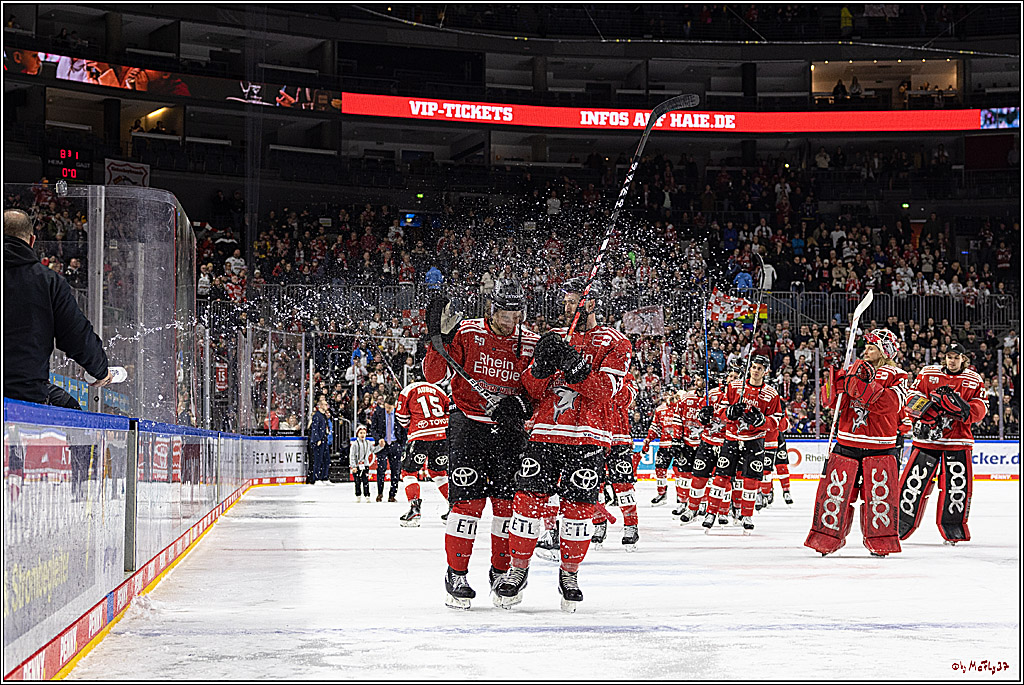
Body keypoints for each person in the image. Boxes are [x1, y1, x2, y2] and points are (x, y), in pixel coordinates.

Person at [495, 277, 631, 613]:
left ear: (592, 304)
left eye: (575, 303)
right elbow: (531, 388)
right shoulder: (554, 337)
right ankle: (518, 570)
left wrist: (576, 365)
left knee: (578, 513)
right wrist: (541, 367)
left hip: (589, 437)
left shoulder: (616, 343)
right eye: (567, 303)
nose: (568, 308)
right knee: (526, 504)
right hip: (545, 433)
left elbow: (604, 393)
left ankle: (569, 575)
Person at [423, 278, 540, 610]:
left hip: (509, 431)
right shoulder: (469, 332)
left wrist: (519, 407)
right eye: (505, 313)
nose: (510, 321)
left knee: (506, 507)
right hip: (468, 426)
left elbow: (536, 392)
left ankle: (502, 572)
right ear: (493, 307)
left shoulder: (529, 343)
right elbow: (433, 375)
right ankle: (456, 573)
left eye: (517, 314)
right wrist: (438, 340)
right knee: (468, 505)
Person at [805, 329, 910, 558]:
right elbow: (831, 402)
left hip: (881, 445)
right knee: (835, 493)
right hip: (847, 442)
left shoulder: (898, 375)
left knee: (880, 497)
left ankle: (881, 541)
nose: (866, 351)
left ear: (885, 351)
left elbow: (890, 405)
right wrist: (835, 380)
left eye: (872, 347)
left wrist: (858, 385)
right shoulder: (854, 369)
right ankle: (826, 538)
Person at [4, 209, 112, 404]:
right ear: (31, 241)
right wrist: (100, 370)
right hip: (25, 392)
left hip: (26, 389)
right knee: (69, 407)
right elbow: (76, 335)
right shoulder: (48, 282)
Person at [897, 343, 987, 544]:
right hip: (926, 440)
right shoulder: (928, 373)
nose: (952, 361)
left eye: (956, 357)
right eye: (949, 357)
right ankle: (899, 524)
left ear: (964, 359)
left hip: (957, 441)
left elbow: (981, 407)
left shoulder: (973, 379)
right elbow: (911, 396)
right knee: (913, 483)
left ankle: (953, 527)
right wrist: (928, 411)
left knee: (957, 487)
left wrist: (963, 410)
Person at [712, 355, 782, 532]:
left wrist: (761, 421)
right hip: (732, 438)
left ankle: (747, 515)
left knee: (751, 479)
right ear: (749, 368)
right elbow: (719, 411)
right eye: (754, 367)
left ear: (765, 371)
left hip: (755, 440)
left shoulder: (772, 394)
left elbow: (776, 421)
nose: (756, 370)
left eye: (760, 368)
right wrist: (730, 412)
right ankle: (712, 512)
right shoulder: (734, 386)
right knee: (722, 475)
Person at [680, 363, 740, 525]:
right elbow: (700, 417)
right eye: (730, 377)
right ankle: (692, 508)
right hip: (707, 441)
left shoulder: (740, 397)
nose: (732, 380)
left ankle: (722, 512)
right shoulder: (712, 393)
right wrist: (703, 416)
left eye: (736, 378)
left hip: (728, 443)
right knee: (698, 476)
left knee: (723, 479)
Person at [590, 369, 640, 550]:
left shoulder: (627, 377)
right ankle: (599, 523)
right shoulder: (592, 371)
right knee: (595, 485)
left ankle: (630, 526)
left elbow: (625, 399)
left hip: (620, 438)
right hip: (594, 436)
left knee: (623, 485)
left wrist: (608, 382)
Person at [395, 380, 450, 527]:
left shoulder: (408, 390)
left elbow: (401, 417)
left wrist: (413, 423)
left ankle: (414, 510)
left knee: (409, 472)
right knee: (439, 473)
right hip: (442, 435)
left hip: (420, 435)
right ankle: (454, 507)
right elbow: (449, 410)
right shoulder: (438, 389)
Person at [642, 389, 684, 507]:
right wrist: (648, 439)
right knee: (660, 469)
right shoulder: (660, 409)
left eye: (670, 394)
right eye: (665, 394)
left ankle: (681, 496)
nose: (667, 396)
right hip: (664, 445)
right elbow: (655, 427)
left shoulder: (681, 407)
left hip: (678, 445)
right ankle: (662, 494)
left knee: (679, 471)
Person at [370, 395, 405, 502]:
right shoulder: (378, 413)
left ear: (394, 406)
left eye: (389, 408)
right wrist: (378, 438)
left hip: (395, 444)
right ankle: (380, 493)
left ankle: (392, 495)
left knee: (396, 471)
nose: (387, 410)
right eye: (386, 407)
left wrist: (401, 446)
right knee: (381, 469)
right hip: (382, 445)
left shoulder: (399, 415)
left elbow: (404, 431)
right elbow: (373, 428)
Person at [308, 398, 330, 485]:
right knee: (318, 460)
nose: (326, 406)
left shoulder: (324, 416)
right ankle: (316, 478)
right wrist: (317, 439)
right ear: (320, 406)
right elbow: (315, 429)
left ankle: (324, 477)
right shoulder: (317, 416)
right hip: (319, 441)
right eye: (325, 404)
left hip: (324, 440)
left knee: (326, 459)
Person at [349, 425, 373, 502]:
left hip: (365, 465)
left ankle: (367, 495)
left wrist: (381, 446)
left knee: (366, 481)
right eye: (361, 433)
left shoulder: (368, 443)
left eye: (364, 433)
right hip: (357, 465)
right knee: (357, 481)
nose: (362, 435)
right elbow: (352, 455)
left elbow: (374, 450)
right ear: (357, 434)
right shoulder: (355, 444)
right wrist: (353, 466)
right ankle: (358, 495)